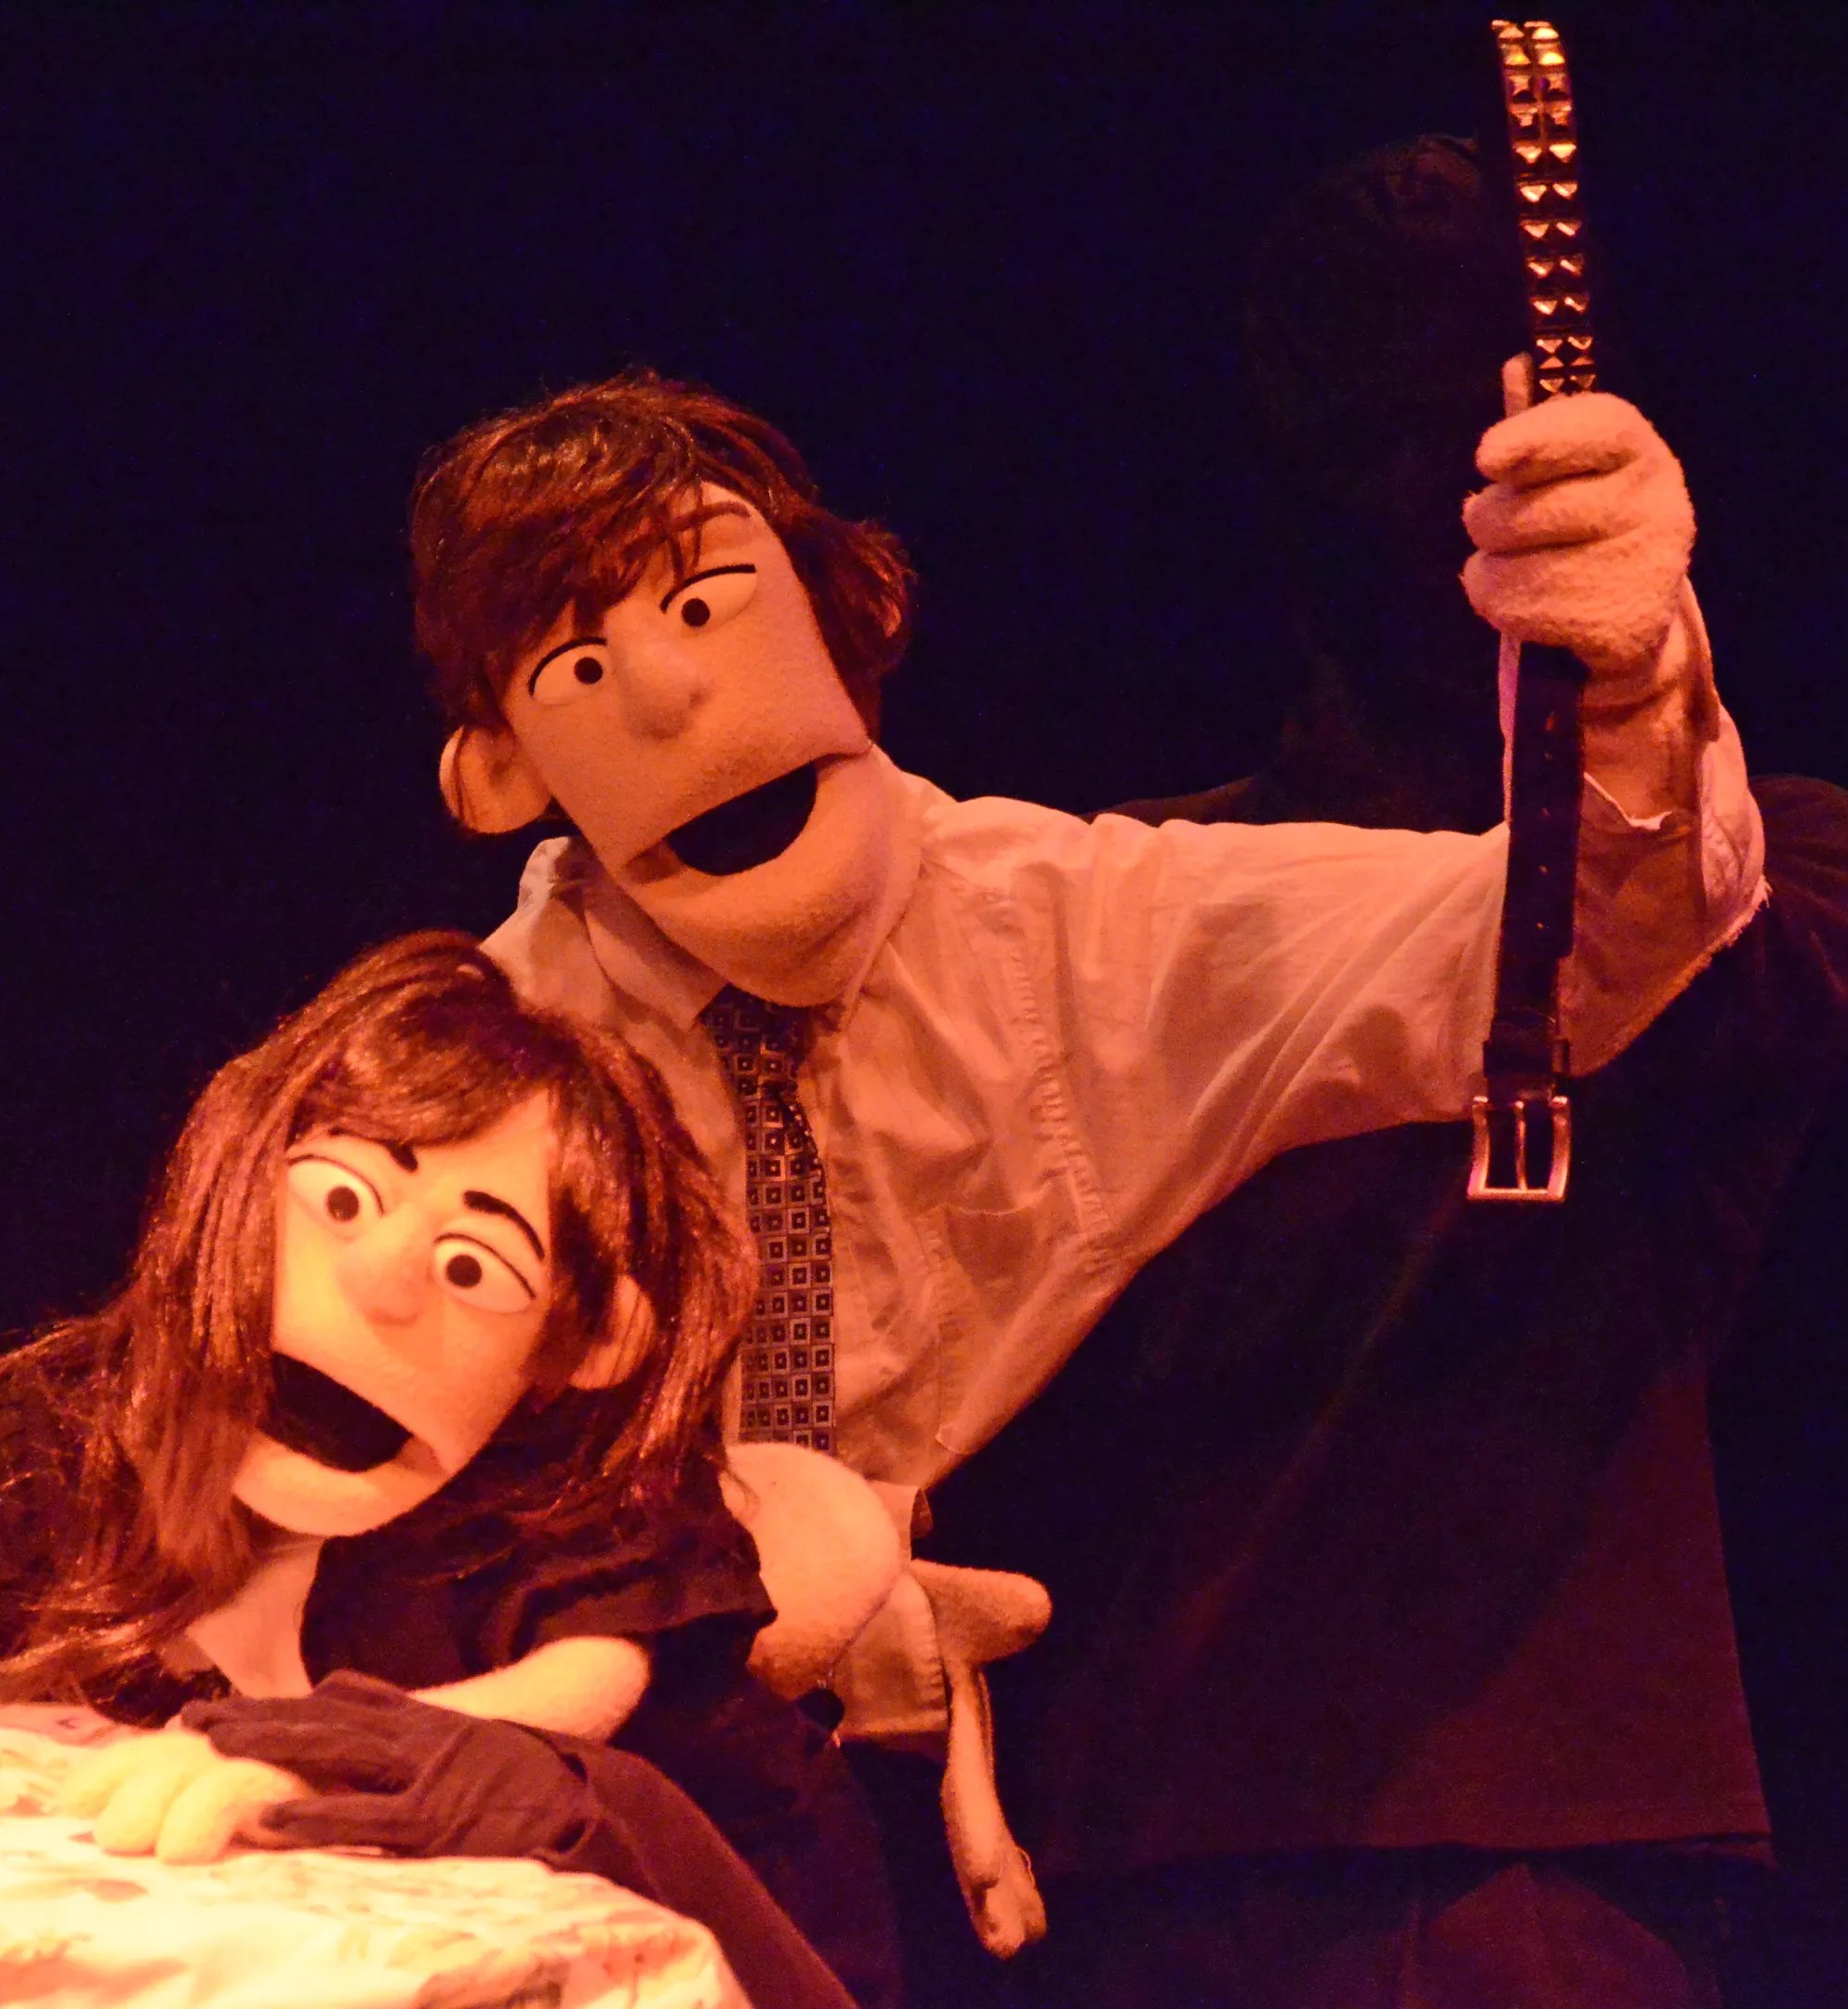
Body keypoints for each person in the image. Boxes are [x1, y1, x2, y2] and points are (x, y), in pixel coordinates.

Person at [414, 334, 1760, 1953]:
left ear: (846, 620)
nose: (669, 695)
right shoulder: (474, 1061)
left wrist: (1626, 695)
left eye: (707, 608)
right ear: (498, 771)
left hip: (1024, 1832)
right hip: (579, 1790)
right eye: (578, 670)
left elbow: (1550, 958)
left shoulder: (1067, 930)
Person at [922, 137, 1848, 2008]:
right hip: (1118, 1852)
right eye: (1355, 431)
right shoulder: (1124, 894)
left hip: (1516, 1845)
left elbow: (1660, 925)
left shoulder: (1794, 864)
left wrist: (1637, 688)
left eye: (1457, 426)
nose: (1412, 495)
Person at [0, 932, 896, 2009]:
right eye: (341, 1199)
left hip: (717, 1904)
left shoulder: (571, 1498)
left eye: (473, 1265)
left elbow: (580, 1697)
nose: (382, 1281)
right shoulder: (75, 1434)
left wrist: (329, 1758)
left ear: (580, 1343)